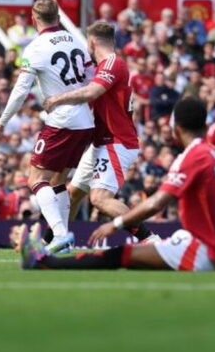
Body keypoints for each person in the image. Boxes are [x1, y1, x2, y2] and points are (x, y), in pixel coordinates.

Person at [21, 97, 215, 272]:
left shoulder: (193, 156)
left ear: (177, 129)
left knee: (120, 255)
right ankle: (54, 240)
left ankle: (43, 262)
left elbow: (156, 203)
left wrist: (115, 225)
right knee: (76, 193)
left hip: (204, 251)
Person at [0, 0, 95, 254]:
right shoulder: (77, 41)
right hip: (85, 120)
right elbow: (92, 80)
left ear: (34, 18)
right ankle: (57, 239)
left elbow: (20, 91)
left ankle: (61, 234)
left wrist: (2, 121)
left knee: (36, 178)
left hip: (62, 119)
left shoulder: (35, 48)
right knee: (59, 180)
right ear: (58, 17)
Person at [41, 21, 156, 246]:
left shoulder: (113, 63)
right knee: (72, 193)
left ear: (92, 41)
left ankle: (150, 239)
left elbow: (92, 91)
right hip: (101, 142)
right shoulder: (105, 64)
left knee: (100, 199)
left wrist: (57, 99)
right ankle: (53, 242)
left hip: (117, 140)